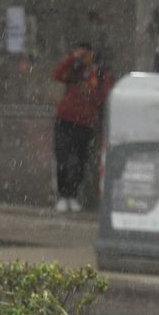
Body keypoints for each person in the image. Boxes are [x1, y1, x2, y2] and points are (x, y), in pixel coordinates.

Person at [50, 43, 115, 212]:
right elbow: (58, 75)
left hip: (86, 124)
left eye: (85, 54)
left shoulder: (102, 74)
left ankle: (73, 194)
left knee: (80, 162)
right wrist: (73, 58)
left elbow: (105, 96)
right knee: (63, 159)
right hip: (65, 120)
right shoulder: (75, 69)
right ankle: (63, 195)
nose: (83, 57)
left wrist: (90, 93)